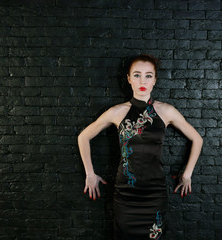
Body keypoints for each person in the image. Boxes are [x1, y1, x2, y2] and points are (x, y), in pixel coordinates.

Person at [77, 54, 203, 240]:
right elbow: (83, 137)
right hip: (125, 194)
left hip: (155, 193)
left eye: (148, 75)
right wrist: (90, 174)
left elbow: (197, 139)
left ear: (155, 80)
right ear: (128, 79)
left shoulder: (166, 111)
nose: (142, 80)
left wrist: (187, 174)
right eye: (136, 75)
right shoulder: (117, 112)